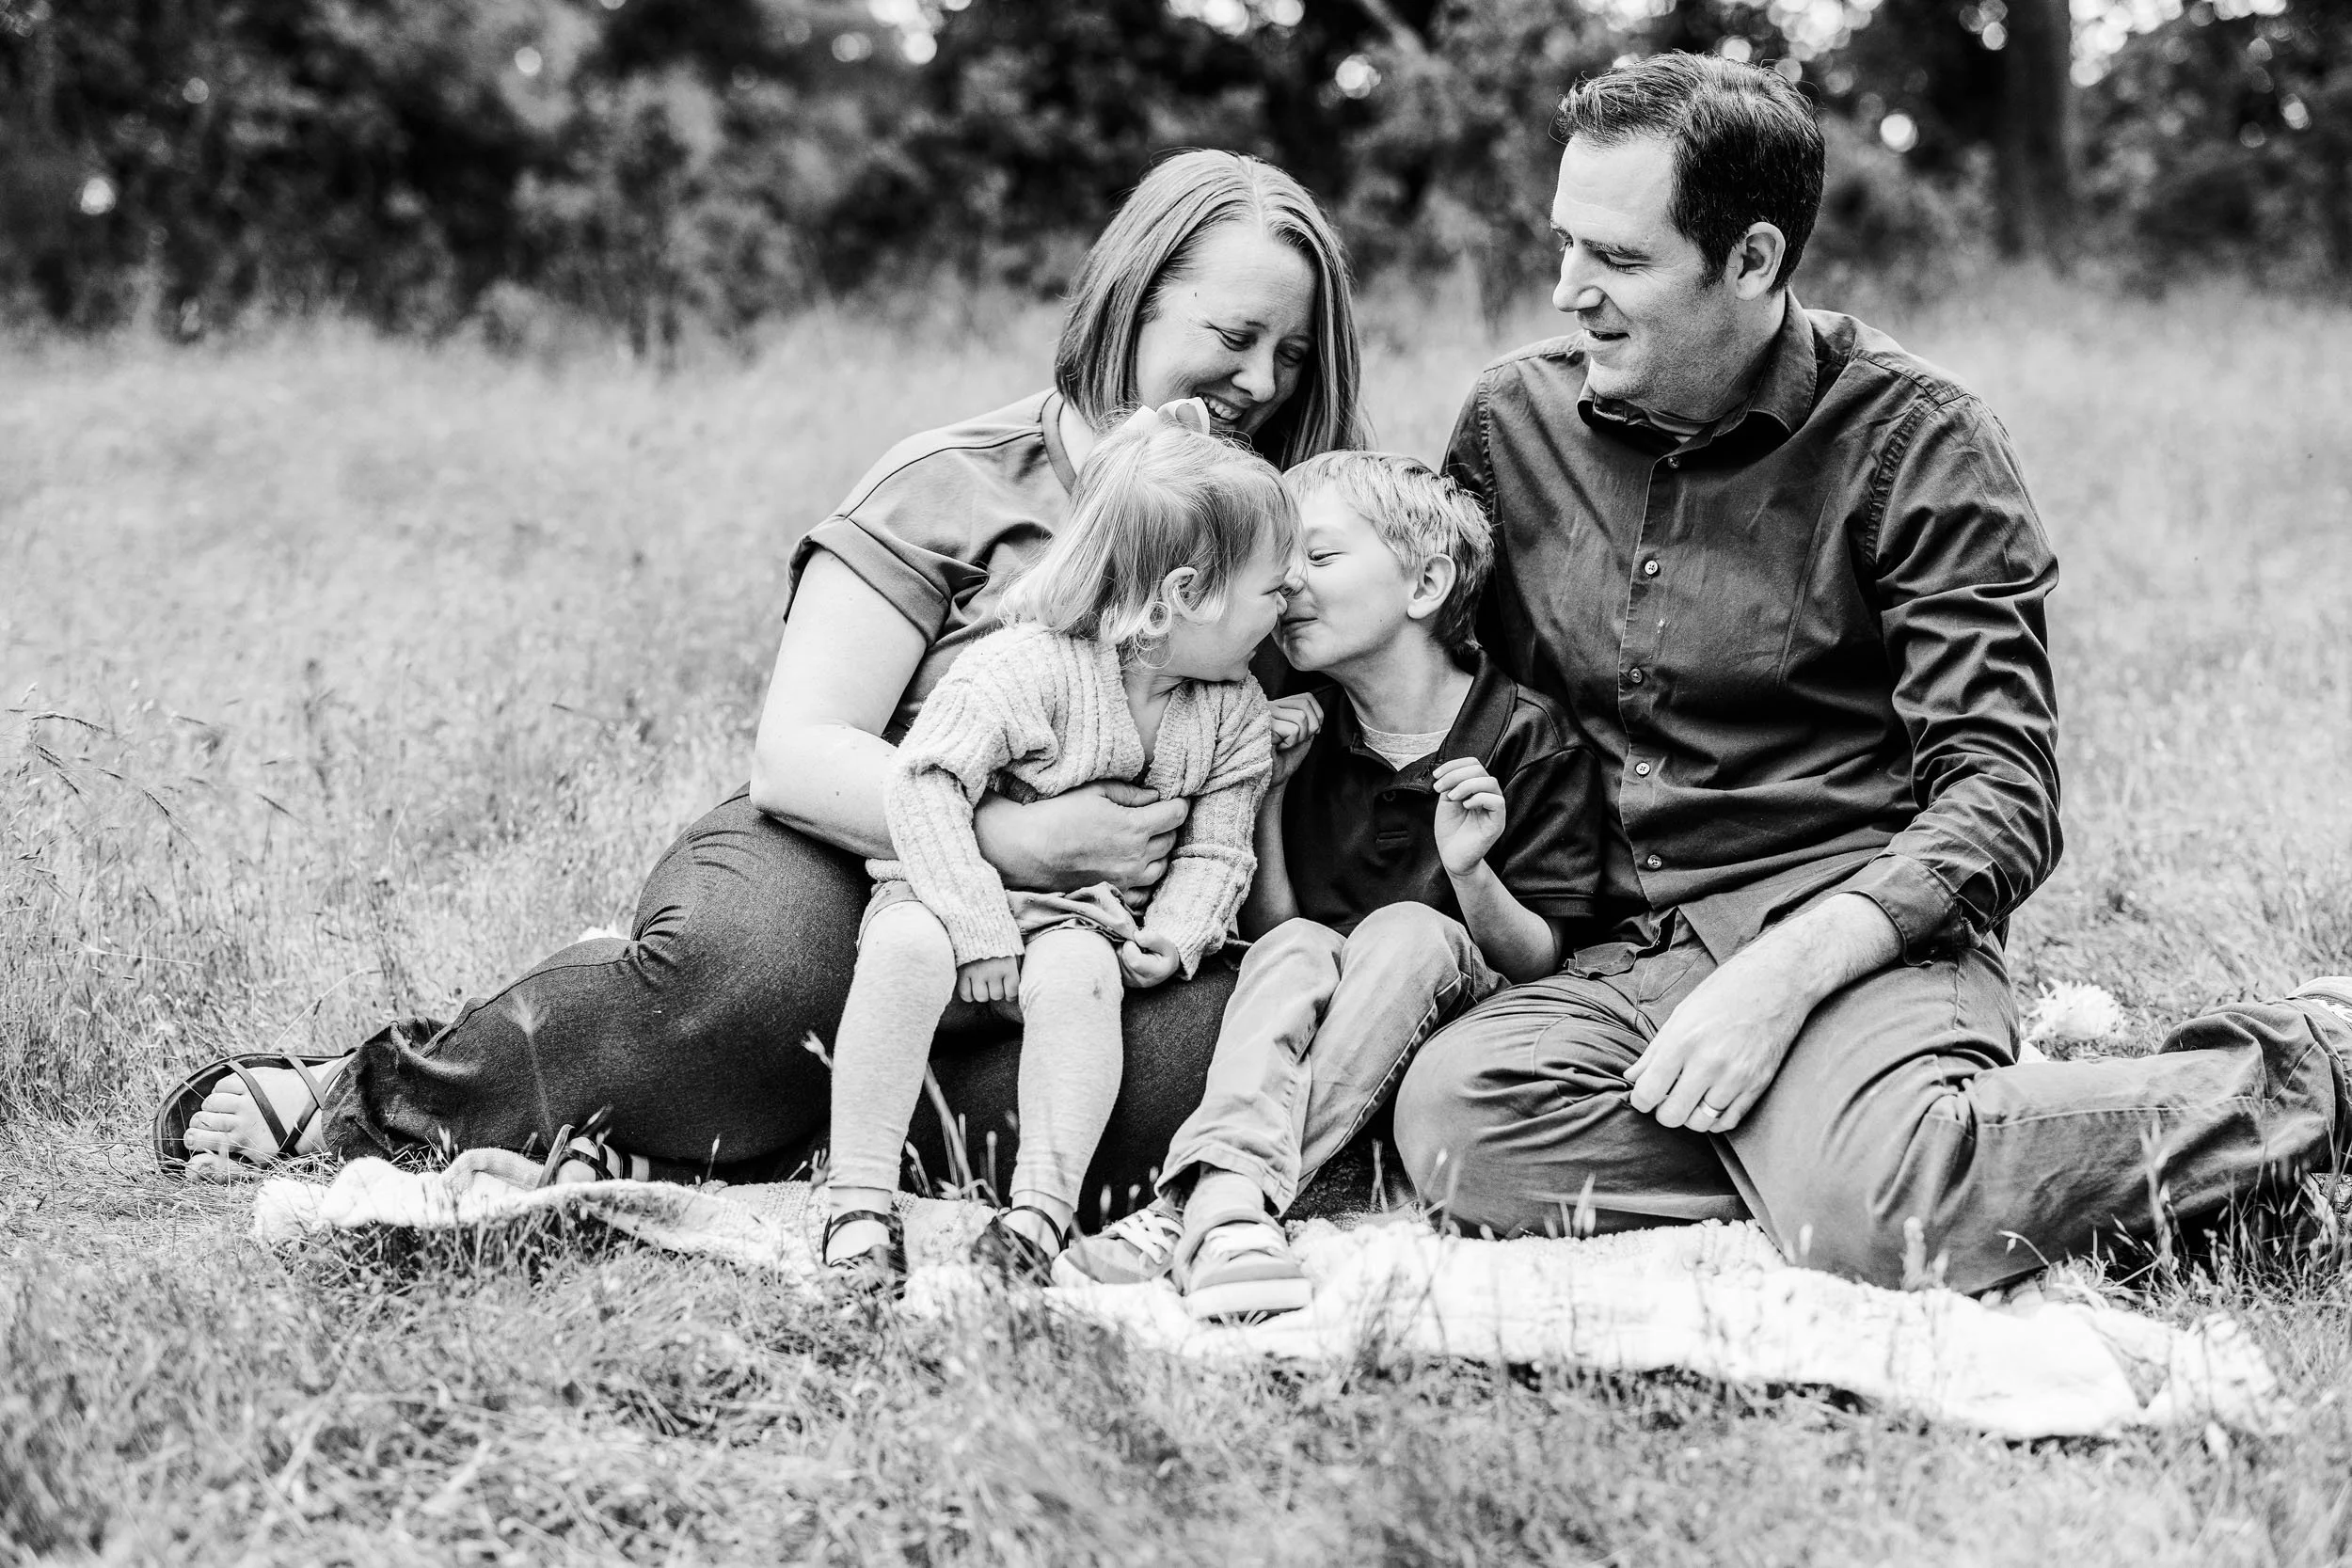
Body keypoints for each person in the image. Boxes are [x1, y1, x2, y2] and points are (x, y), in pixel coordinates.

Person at [155, 150, 1369, 1214]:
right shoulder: (957, 482)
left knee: (1180, 1075)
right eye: (1232, 336)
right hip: (857, 859)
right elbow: (798, 752)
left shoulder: (1276, 528)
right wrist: (1010, 836)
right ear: (1132, 299)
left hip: (1085, 937)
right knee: (758, 987)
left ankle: (755, 1130)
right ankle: (375, 1097)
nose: (1261, 380)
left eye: (1291, 353)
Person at [1388, 52, 2352, 1293]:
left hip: (1855, 928)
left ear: (1753, 262)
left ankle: (2310, 1056)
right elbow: (1447, 685)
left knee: (1874, 1220)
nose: (1570, 292)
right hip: (1624, 954)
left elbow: (2002, 797)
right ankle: (1921, 1145)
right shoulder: (1508, 423)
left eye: (1620, 261)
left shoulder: (1920, 437)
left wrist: (1783, 981)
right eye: (1563, 243)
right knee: (1462, 1129)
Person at [1059, 451, 1604, 1318]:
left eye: (1317, 557)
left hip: (1465, 1024)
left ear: (1426, 583)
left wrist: (1468, 870)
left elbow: (1540, 960)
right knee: (1297, 944)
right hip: (1331, 1016)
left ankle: (1199, 1199)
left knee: (1408, 931)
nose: (1287, 586)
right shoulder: (1300, 730)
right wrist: (1271, 793)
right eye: (1280, 568)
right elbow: (1281, 931)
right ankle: (1229, 1211)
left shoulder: (1527, 738)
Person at [822, 404, 1293, 1290]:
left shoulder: (1232, 710)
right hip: (952, 896)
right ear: (1187, 595)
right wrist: (976, 928)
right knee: (901, 949)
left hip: (1079, 919)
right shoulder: (1026, 666)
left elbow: (1218, 851)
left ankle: (1037, 1213)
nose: (1289, 598)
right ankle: (858, 1203)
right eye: (1273, 586)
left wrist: (1178, 933)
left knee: (1082, 975)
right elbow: (923, 783)